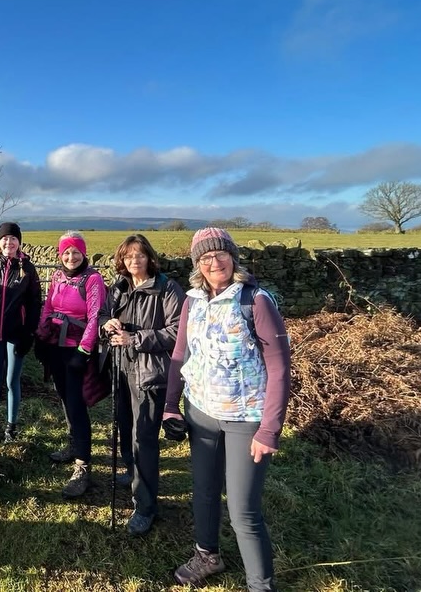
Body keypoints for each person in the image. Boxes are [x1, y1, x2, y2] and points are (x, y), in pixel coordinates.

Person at [164, 228, 291, 591]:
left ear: (233, 258)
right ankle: (208, 556)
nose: (214, 262)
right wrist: (172, 405)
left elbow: (280, 367)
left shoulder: (255, 300)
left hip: (245, 419)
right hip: (201, 411)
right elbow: (180, 355)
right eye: (205, 258)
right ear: (197, 265)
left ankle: (260, 585)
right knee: (203, 491)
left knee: (243, 511)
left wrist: (270, 429)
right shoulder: (192, 301)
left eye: (220, 254)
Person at [98, 234, 184, 536]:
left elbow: (177, 332)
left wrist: (136, 339)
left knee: (143, 438)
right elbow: (104, 315)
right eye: (128, 255)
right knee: (125, 426)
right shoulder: (119, 287)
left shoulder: (167, 289)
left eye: (139, 254)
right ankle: (133, 472)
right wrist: (106, 324)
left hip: (150, 373)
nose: (134, 260)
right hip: (120, 368)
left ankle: (145, 506)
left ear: (149, 257)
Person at [34, 230, 107, 498]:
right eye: (66, 252)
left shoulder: (93, 280)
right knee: (65, 399)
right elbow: (47, 307)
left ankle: (83, 466)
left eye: (76, 251)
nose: (71, 256)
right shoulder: (57, 277)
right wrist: (41, 338)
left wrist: (84, 351)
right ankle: (72, 444)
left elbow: (95, 316)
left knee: (77, 405)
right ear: (60, 254)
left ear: (84, 253)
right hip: (56, 347)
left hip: (77, 351)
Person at [0, 222, 41, 447]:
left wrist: (29, 333)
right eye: (5, 238)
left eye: (13, 238)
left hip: (16, 335)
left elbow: (34, 303)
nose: (9, 242)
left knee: (12, 381)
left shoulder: (27, 269)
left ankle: (11, 428)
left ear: (19, 242)